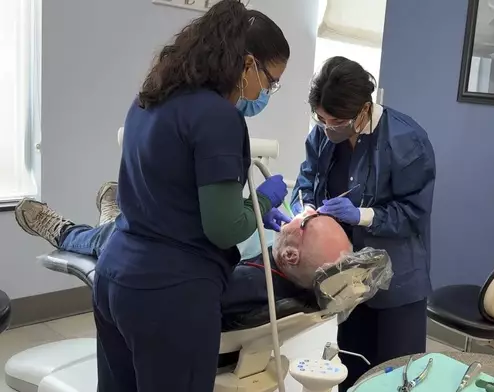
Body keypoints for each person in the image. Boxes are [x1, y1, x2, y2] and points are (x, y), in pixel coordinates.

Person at [83, 1, 291, 390]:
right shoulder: (219, 118)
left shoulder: (150, 99)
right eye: (270, 80)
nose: (267, 91)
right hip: (171, 295)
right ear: (246, 65)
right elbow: (225, 228)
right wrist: (262, 202)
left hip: (115, 275)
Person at [292, 56, 436, 390]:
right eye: (321, 118)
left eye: (336, 120)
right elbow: (307, 176)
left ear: (362, 110)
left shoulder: (406, 140)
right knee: (353, 372)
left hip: (397, 284)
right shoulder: (324, 137)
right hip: (348, 282)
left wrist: (362, 215)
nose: (328, 127)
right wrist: (307, 206)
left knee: (397, 377)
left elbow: (415, 212)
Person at [14, 189, 352, 322]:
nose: (300, 213)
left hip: (148, 283)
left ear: (291, 256)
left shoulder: (245, 285)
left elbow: (180, 279)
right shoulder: (298, 287)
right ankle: (113, 218)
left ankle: (64, 231)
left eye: (305, 220)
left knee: (122, 238)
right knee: (127, 230)